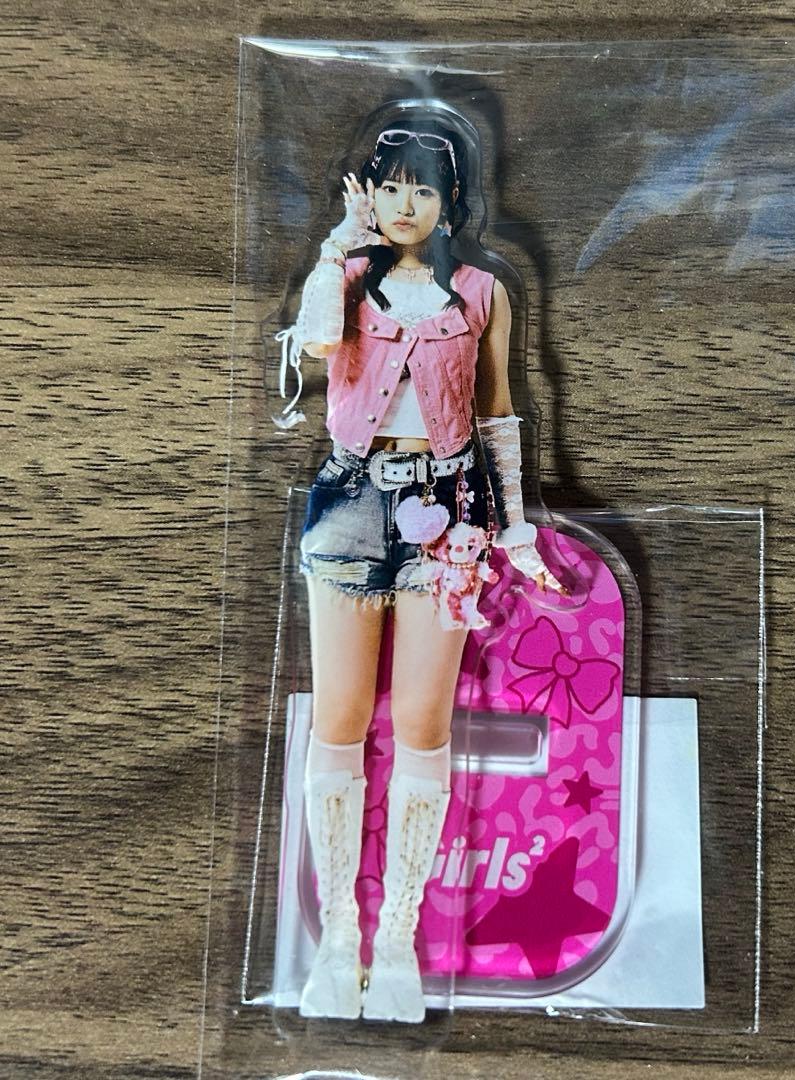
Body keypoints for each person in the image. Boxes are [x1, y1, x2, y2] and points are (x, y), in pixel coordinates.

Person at [275, 111, 563, 1023]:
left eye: (423, 188)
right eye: (391, 185)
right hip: (351, 499)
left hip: (451, 511)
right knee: (340, 716)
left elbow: (500, 412)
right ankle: (338, 941)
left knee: (424, 722)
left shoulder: (481, 291)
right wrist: (338, 241)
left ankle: (397, 938)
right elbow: (316, 344)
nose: (406, 203)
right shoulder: (347, 279)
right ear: (372, 193)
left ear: (451, 200)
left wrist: (515, 527)